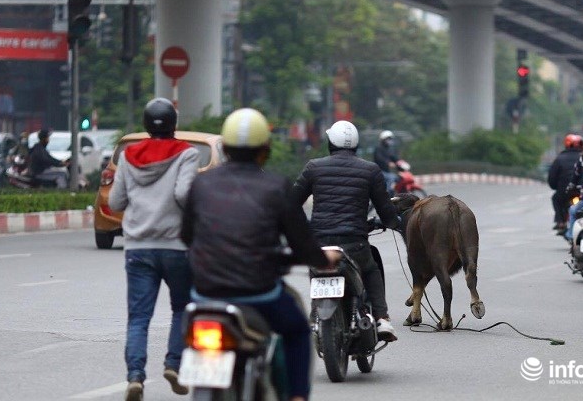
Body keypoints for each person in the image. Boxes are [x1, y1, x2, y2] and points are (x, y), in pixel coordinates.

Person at [181, 108, 340, 401]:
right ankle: (297, 396)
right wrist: (323, 259)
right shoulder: (275, 186)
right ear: (265, 151)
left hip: (207, 294)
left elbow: (186, 236)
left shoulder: (201, 184)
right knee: (296, 332)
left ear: (225, 148)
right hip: (259, 294)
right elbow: (302, 244)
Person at [109, 97, 200, 401]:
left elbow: (115, 202)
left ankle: (135, 376)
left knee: (138, 317)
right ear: (174, 123)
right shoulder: (186, 154)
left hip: (138, 247)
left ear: (146, 124)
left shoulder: (128, 155)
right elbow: (184, 193)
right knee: (181, 309)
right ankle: (173, 364)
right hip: (176, 246)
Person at [292, 120, 401, 342]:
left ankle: (316, 313)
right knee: (371, 270)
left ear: (330, 143)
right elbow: (386, 211)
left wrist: (304, 228)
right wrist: (392, 223)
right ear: (356, 145)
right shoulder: (370, 170)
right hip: (355, 244)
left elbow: (290, 203)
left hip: (320, 243)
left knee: (317, 267)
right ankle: (381, 318)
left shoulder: (313, 167)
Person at [548, 134, 583, 234]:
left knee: (556, 199)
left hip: (564, 192)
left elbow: (552, 178)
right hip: (582, 191)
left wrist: (556, 187)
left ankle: (560, 221)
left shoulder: (559, 159)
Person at [374, 130, 400, 195]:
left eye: (390, 139)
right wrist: (388, 163)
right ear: (383, 140)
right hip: (379, 171)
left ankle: (392, 194)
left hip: (386, 172)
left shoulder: (388, 149)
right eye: (388, 139)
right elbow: (379, 158)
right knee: (392, 177)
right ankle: (386, 195)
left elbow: (394, 158)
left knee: (398, 177)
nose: (389, 140)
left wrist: (401, 162)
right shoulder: (378, 148)